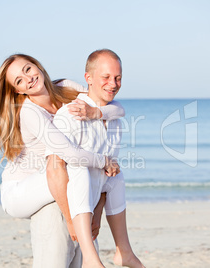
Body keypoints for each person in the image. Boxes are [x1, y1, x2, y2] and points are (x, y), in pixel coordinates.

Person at [0, 54, 125, 265]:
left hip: (53, 174)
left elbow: (116, 107)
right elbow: (69, 154)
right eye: (19, 80)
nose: (28, 78)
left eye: (28, 69)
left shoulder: (66, 87)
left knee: (90, 170)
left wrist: (95, 112)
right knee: (76, 167)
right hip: (20, 190)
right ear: (19, 90)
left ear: (37, 65)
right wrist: (104, 161)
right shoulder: (29, 112)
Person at [46, 49, 145, 267]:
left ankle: (124, 251)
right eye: (106, 77)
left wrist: (98, 214)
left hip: (91, 204)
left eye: (118, 78)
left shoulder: (113, 118)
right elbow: (57, 166)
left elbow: (105, 175)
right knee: (79, 168)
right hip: (68, 201)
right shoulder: (71, 114)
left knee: (116, 176)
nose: (114, 83)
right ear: (88, 78)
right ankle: (91, 260)